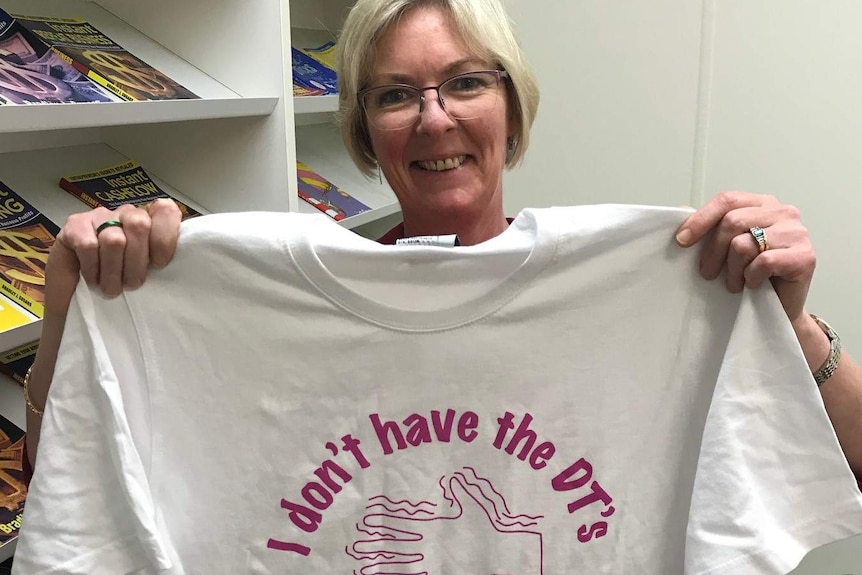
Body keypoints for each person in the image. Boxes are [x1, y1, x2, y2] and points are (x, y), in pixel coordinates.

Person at [22, 0, 861, 489]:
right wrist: (75, 309)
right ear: (363, 129)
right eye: (395, 95)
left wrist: (790, 329)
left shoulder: (647, 288)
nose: (434, 117)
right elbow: (72, 471)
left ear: (513, 105)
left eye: (465, 81)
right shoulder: (269, 304)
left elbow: (848, 464)